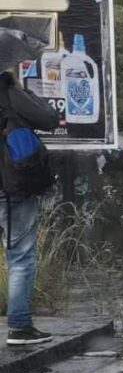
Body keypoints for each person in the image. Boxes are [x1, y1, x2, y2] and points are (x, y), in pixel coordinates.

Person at [0, 71, 60, 345]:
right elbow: (49, 119)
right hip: (12, 187)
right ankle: (20, 326)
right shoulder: (8, 89)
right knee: (20, 257)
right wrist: (21, 89)